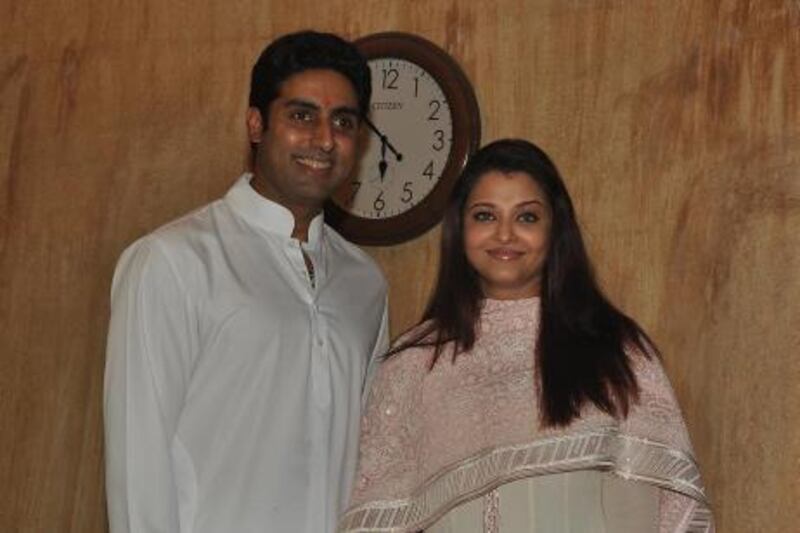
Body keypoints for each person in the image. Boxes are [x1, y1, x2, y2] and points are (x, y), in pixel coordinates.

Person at [339, 139, 714, 532]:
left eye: (527, 218)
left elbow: (660, 510)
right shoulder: (415, 364)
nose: (505, 235)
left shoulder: (614, 350)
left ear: (556, 229)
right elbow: (379, 520)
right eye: (485, 216)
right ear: (459, 228)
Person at [104, 30, 389, 533]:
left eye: (343, 122)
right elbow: (138, 462)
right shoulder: (172, 261)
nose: (324, 140)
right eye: (302, 115)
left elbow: (369, 459)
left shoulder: (365, 284)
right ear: (256, 125)